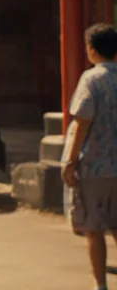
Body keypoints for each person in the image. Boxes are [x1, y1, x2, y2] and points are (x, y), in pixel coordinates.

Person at [63, 23, 117, 290]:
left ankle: (101, 284)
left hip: (95, 165)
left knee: (94, 229)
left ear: (92, 50)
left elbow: (81, 123)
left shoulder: (91, 79)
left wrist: (70, 161)